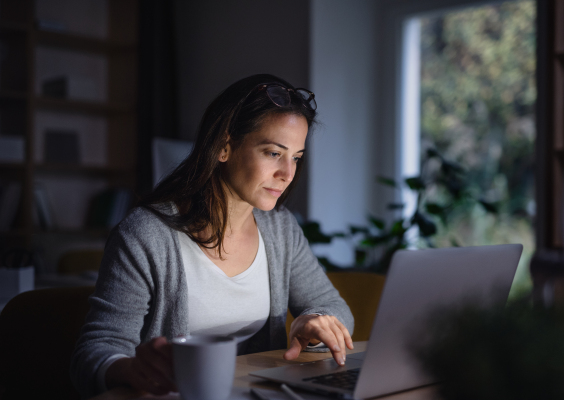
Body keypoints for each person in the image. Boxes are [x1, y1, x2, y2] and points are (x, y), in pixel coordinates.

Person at [70, 74, 354, 398]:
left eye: (296, 157)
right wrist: (130, 369)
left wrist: (315, 321)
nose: (287, 174)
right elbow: (94, 353)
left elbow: (332, 306)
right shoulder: (145, 236)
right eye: (274, 153)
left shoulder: (280, 228)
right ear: (224, 147)